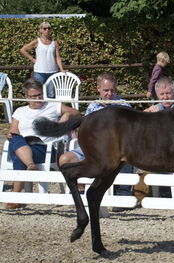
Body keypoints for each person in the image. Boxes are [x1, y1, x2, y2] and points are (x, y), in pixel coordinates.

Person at [58, 72, 134, 210]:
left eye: (112, 90)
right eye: (106, 90)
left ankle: (123, 193)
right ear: (98, 89)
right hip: (93, 147)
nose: (109, 93)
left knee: (126, 154)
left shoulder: (124, 107)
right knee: (64, 159)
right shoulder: (92, 107)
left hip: (115, 150)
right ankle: (79, 193)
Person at [5, 78, 80, 209]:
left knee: (18, 155)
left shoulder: (52, 105)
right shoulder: (20, 111)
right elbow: (13, 129)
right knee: (16, 139)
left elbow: (76, 112)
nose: (38, 98)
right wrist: (11, 134)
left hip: (44, 149)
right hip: (23, 144)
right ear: (26, 97)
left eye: (40, 94)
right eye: (34, 96)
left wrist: (65, 117)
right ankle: (29, 164)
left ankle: (15, 196)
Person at [143, 76, 174, 198]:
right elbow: (138, 121)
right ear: (157, 95)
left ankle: (168, 192)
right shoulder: (157, 107)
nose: (165, 97)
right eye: (161, 94)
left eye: (168, 93)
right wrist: (148, 114)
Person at [20, 22, 66, 98]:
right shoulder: (37, 41)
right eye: (44, 28)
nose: (47, 30)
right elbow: (23, 50)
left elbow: (57, 57)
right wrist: (33, 59)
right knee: (38, 94)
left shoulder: (54, 43)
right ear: (40, 30)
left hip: (52, 72)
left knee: (51, 95)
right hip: (39, 72)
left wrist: (62, 69)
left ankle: (50, 110)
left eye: (48, 28)